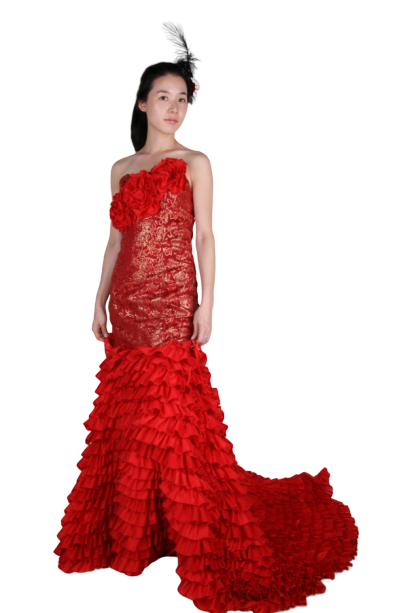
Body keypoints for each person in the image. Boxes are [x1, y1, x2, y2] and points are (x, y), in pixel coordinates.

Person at [53, 22, 359, 613]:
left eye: (182, 99)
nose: (174, 108)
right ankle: (143, 534)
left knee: (175, 420)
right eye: (163, 97)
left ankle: (189, 529)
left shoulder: (196, 161)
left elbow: (206, 237)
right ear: (142, 102)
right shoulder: (120, 168)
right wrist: (96, 300)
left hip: (173, 303)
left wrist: (208, 303)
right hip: (128, 306)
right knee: (132, 420)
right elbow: (114, 242)